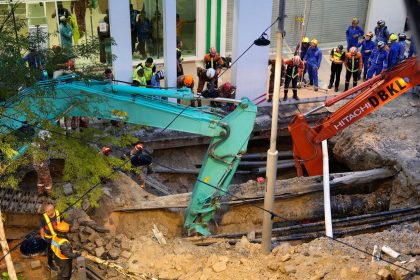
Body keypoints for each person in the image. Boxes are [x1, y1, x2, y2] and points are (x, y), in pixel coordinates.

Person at [40, 204, 61, 271]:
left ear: (53, 210)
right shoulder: (44, 217)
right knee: (49, 252)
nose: (47, 213)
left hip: (57, 237)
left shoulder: (58, 214)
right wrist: (42, 239)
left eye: (48, 212)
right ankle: (50, 263)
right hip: (48, 238)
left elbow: (62, 223)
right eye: (46, 211)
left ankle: (57, 260)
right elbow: (41, 228)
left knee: (57, 249)